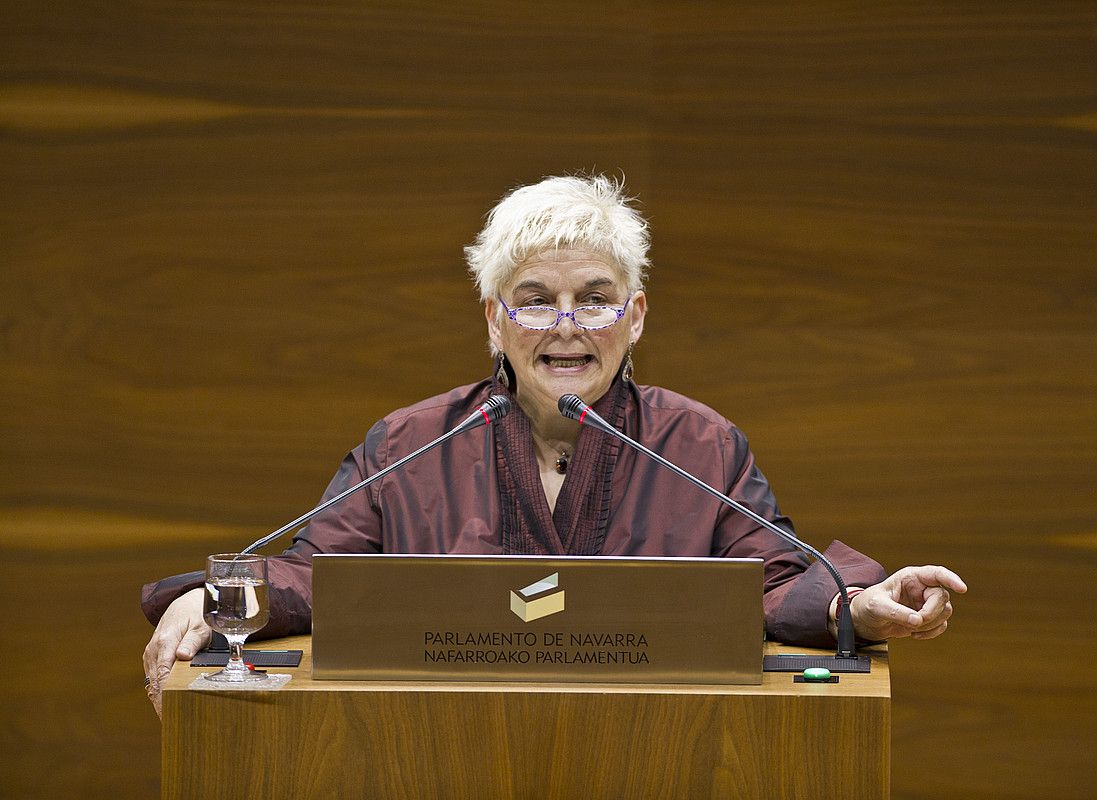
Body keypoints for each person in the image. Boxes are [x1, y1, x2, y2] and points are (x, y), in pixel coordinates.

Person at [141, 174, 966, 716]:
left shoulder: (699, 443)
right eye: (534, 301)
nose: (565, 328)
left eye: (594, 300)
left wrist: (851, 606)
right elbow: (316, 576)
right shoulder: (412, 440)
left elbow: (772, 583)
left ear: (634, 317)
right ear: (495, 321)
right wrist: (208, 599)